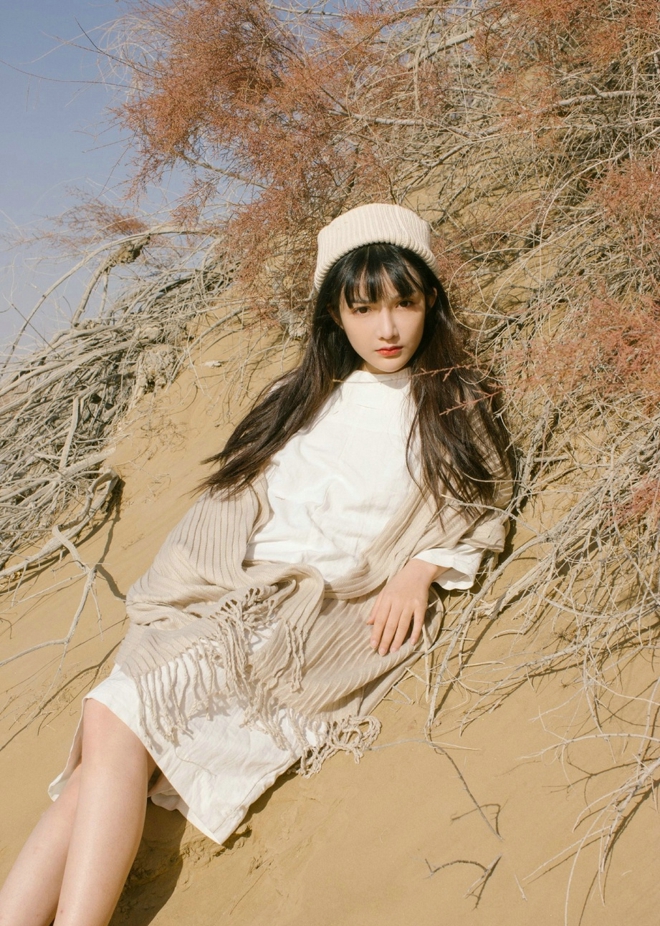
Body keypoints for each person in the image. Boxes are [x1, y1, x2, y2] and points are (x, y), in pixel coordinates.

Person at [0, 203, 512, 926]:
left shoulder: (450, 403)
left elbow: (482, 504)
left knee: (109, 724)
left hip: (301, 622)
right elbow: (226, 508)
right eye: (364, 308)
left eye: (404, 302)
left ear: (430, 300)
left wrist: (419, 569)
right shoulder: (299, 398)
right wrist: (207, 589)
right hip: (225, 598)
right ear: (335, 315)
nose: (388, 328)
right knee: (109, 742)